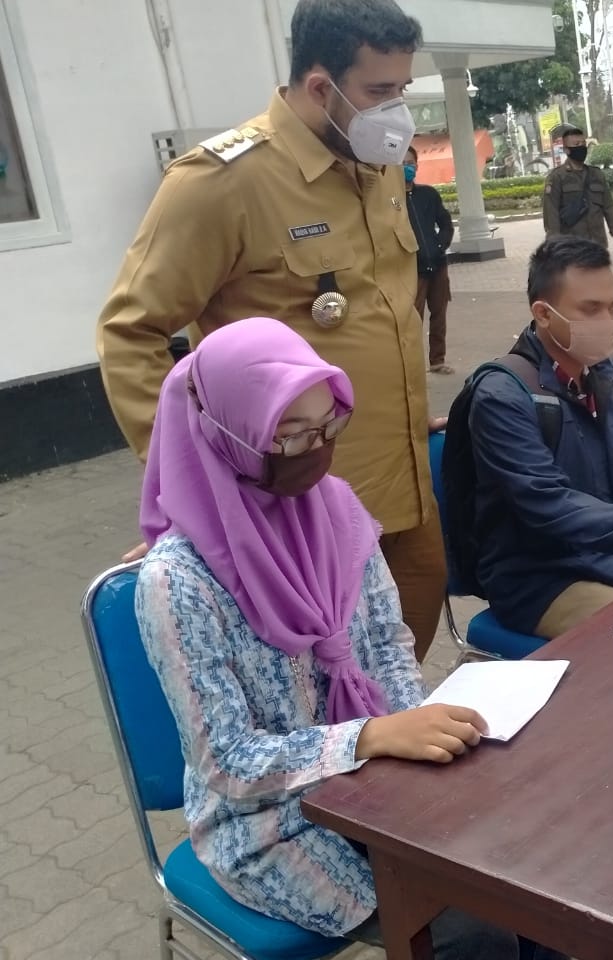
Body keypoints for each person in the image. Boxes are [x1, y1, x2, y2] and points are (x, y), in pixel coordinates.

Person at [135, 318, 563, 959]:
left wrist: (411, 733)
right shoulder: (178, 581)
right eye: (291, 433)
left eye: (327, 426)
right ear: (226, 431)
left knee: (529, 877)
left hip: (376, 779)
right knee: (467, 927)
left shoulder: (335, 509)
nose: (316, 450)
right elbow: (226, 760)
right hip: (267, 824)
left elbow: (387, 643)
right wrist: (369, 737)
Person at [97, 0, 447, 662]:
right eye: (379, 91)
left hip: (404, 495)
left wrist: (402, 403)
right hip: (294, 514)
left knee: (401, 680)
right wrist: (192, 485)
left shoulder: (374, 168)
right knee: (325, 711)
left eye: (401, 89)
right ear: (321, 86)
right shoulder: (221, 183)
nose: (395, 110)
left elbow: (379, 310)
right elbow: (130, 333)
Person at [470, 236, 613, 638]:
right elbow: (551, 506)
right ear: (543, 314)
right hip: (544, 579)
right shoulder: (502, 394)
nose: (608, 321)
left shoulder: (611, 376)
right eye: (590, 309)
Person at [404, 145, 455, 375]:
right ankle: (411, 364)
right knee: (413, 320)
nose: (408, 168)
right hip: (411, 270)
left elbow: (445, 223)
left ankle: (437, 361)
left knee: (439, 314)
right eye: (403, 164)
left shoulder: (428, 194)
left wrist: (439, 245)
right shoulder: (389, 201)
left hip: (438, 265)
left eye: (411, 164)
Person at [541, 126, 613, 259]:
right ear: (566, 150)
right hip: (571, 249)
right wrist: (554, 245)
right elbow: (551, 214)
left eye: (583, 144)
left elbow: (608, 207)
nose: (581, 148)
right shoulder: (557, 177)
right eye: (576, 144)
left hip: (597, 245)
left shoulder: (597, 175)